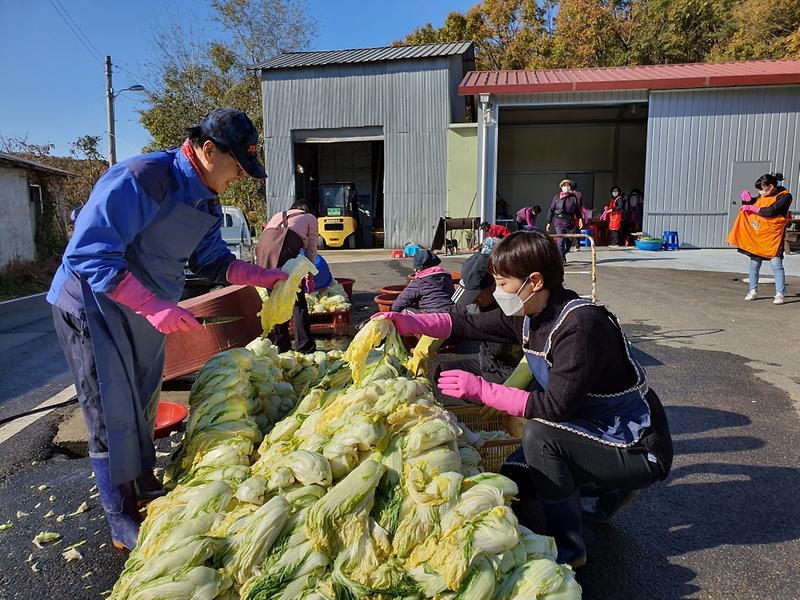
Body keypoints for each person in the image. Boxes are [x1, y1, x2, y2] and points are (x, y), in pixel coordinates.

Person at [47, 108, 289, 551]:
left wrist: (260, 276)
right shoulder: (142, 178)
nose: (238, 176)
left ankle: (141, 483)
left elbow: (213, 260)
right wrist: (153, 307)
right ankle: (119, 514)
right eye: (236, 165)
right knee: (108, 406)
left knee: (141, 400)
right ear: (207, 148)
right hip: (93, 303)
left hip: (143, 309)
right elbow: (89, 254)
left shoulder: (209, 201)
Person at [375, 231, 673, 567]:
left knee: (540, 438)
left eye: (503, 283)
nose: (499, 292)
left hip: (633, 442)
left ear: (533, 281)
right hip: (589, 428)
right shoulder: (531, 314)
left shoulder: (581, 326)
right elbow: (469, 324)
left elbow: (554, 408)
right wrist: (410, 321)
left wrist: (481, 390)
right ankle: (610, 491)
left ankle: (571, 549)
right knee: (516, 477)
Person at [446, 252, 523, 383]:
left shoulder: (513, 309)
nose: (473, 301)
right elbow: (449, 320)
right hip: (487, 364)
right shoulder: (472, 303)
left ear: (495, 285)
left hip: (511, 372)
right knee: (444, 373)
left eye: (476, 295)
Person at [255, 200, 320, 352]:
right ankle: (305, 347)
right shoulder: (309, 218)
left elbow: (266, 237)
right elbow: (311, 249)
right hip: (285, 250)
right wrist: (309, 274)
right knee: (298, 302)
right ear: (307, 210)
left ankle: (281, 346)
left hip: (263, 252)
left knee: (276, 299)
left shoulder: (278, 215)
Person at [728, 173, 792, 305]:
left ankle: (780, 293)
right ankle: (752, 291)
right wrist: (747, 200)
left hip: (774, 236)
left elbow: (771, 211)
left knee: (776, 264)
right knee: (755, 264)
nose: (760, 192)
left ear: (771, 187)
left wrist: (751, 207)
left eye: (762, 189)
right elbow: (754, 203)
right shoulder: (763, 195)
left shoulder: (785, 196)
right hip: (759, 235)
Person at [547, 179, 583, 261]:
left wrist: (580, 219)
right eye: (564, 186)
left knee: (569, 241)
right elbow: (551, 209)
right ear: (561, 187)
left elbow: (577, 210)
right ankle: (561, 258)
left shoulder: (573, 197)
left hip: (569, 222)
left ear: (570, 187)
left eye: (567, 186)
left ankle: (562, 254)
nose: (566, 187)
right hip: (559, 221)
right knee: (561, 240)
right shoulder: (556, 197)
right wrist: (549, 222)